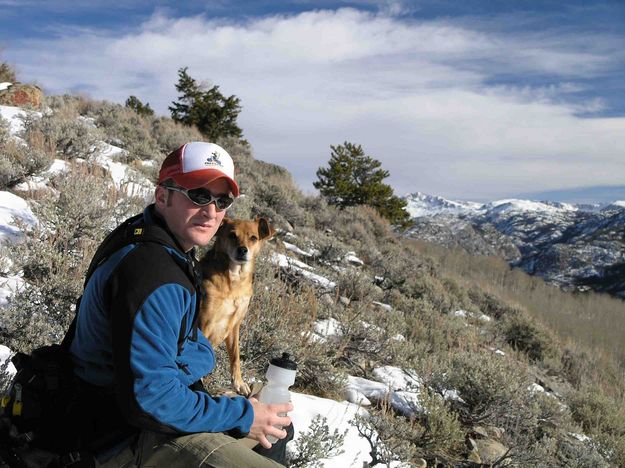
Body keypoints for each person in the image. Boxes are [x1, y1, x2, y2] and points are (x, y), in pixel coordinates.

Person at [68, 142, 294, 467]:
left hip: (133, 414)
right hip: (117, 438)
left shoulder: (159, 242)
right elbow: (151, 400)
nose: (211, 211)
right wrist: (240, 413)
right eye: (199, 195)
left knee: (275, 421)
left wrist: (230, 406)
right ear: (163, 196)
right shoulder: (151, 274)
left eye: (222, 200)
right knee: (262, 426)